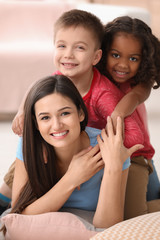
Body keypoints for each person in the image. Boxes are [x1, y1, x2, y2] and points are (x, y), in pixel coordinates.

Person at [0, 10, 145, 213]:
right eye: (61, 46)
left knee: (132, 213)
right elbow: (38, 88)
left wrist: (100, 150)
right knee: (27, 154)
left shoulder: (103, 95)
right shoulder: (60, 77)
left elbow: (133, 136)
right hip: (62, 144)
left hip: (101, 148)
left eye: (79, 48)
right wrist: (24, 113)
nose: (68, 54)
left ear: (96, 56)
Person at [1, 75, 143, 237]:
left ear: (80, 113)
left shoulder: (109, 147)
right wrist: (72, 178)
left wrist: (113, 168)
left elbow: (107, 229)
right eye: (45, 118)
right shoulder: (31, 144)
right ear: (36, 124)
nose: (56, 125)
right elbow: (19, 215)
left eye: (65, 113)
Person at [96, 15, 160, 219]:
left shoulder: (141, 83)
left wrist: (117, 115)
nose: (123, 65)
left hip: (137, 156)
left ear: (144, 60)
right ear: (103, 52)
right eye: (115, 55)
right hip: (111, 156)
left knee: (136, 215)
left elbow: (133, 97)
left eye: (133, 58)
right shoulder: (96, 77)